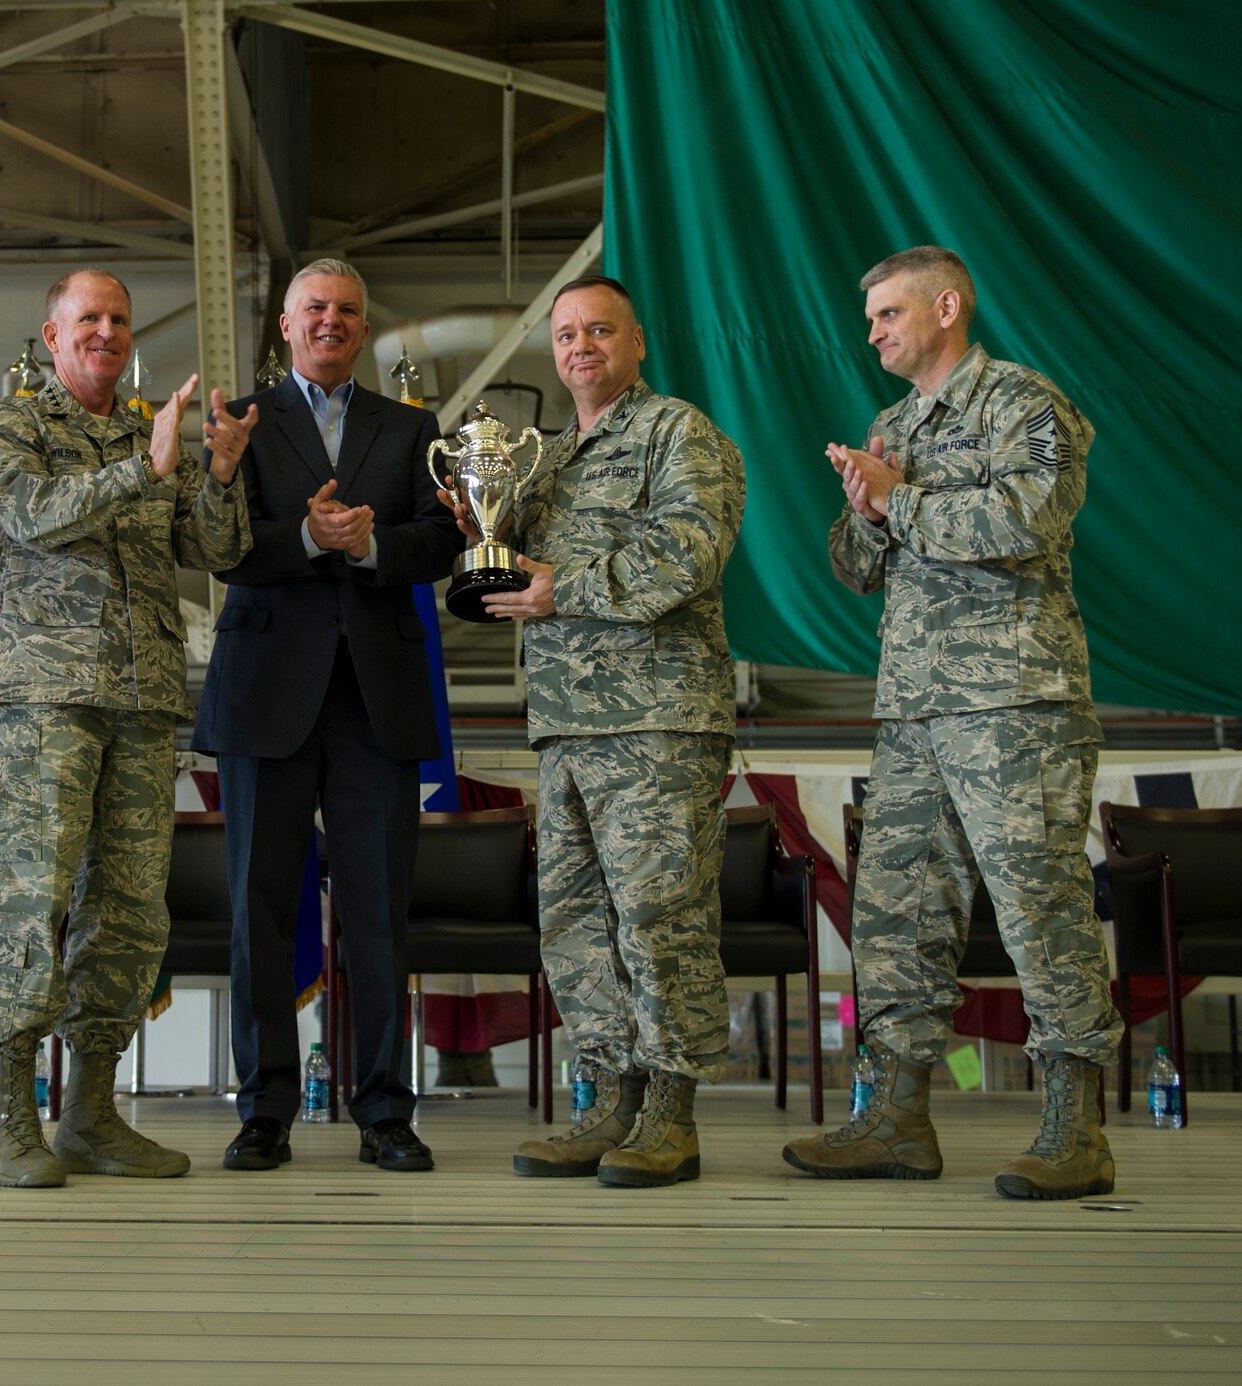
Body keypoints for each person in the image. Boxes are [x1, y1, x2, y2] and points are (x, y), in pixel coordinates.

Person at [783, 246, 1121, 1200]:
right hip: (914, 711)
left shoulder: (1022, 402)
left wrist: (904, 500)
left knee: (1039, 906)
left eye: (889, 314)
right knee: (893, 914)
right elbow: (856, 569)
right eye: (870, 318)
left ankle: (1075, 1130)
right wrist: (864, 507)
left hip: (1014, 704)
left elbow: (1034, 519)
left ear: (947, 305)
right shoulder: (893, 424)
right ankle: (895, 1117)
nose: (874, 332)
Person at [445, 275, 745, 1188]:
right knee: (576, 925)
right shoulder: (553, 460)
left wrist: (559, 588)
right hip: (568, 727)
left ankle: (671, 1113)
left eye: (599, 331)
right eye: (567, 334)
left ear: (637, 341)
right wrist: (479, 527)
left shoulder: (676, 433)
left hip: (657, 721)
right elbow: (515, 570)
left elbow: (691, 552)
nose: (581, 347)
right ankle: (607, 1095)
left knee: (660, 918)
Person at [0, 268, 253, 1189]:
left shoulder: (147, 431)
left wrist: (218, 473)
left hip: (142, 703)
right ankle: (10, 1117)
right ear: (52, 336)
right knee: (33, 903)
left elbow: (214, 552)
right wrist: (145, 467)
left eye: (119, 319)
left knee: (128, 914)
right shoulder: (15, 426)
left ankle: (90, 1111)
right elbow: (28, 516)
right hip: (46, 704)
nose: (107, 331)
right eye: (86, 318)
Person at [194, 258, 462, 1174]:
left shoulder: (413, 428)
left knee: (380, 915)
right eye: (316, 307)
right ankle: (264, 1107)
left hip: (376, 702)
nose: (332, 321)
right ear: (285, 323)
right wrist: (308, 536)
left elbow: (443, 541)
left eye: (348, 310)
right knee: (259, 914)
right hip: (266, 696)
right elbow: (218, 549)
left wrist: (375, 541)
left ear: (364, 328)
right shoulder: (241, 423)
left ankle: (386, 1110)